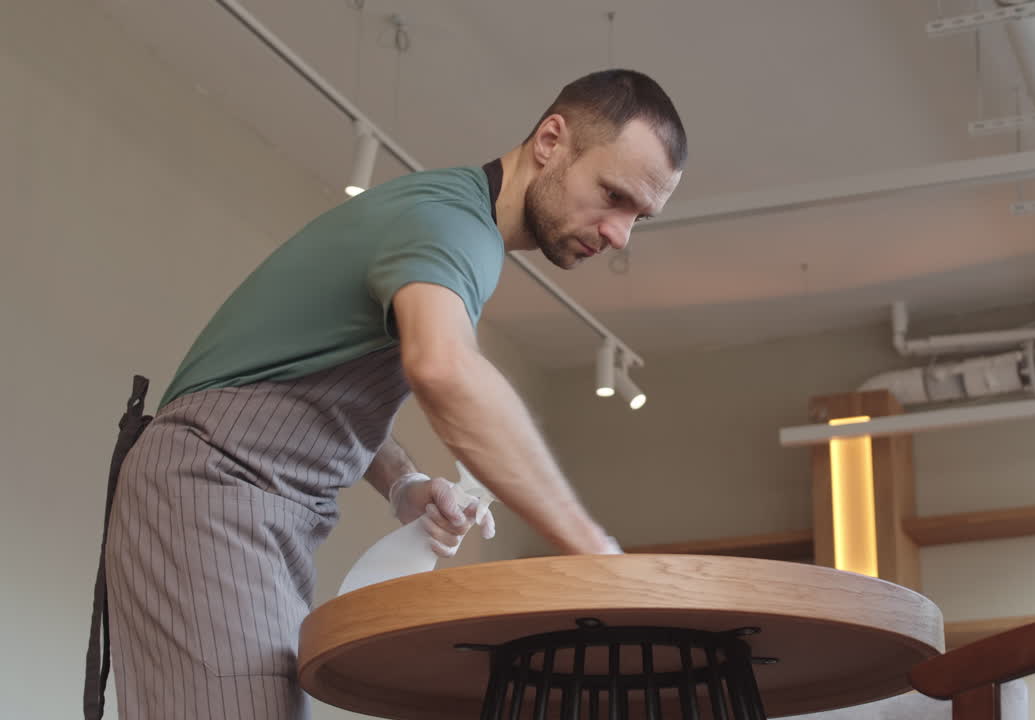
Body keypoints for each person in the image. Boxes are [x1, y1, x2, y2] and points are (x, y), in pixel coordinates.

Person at [85, 68, 686, 720]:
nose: (620, 233)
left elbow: (310, 375)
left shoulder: (444, 219)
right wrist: (598, 555)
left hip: (248, 501)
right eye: (614, 195)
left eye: (640, 217)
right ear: (550, 140)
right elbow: (444, 369)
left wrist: (404, 483)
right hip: (213, 488)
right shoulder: (452, 226)